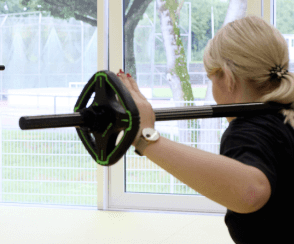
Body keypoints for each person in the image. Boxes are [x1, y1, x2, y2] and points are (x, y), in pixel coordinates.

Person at [117, 16, 292, 243]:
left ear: (228, 78)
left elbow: (251, 192)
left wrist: (146, 138)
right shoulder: (284, 118)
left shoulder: (250, 130)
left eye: (212, 79)